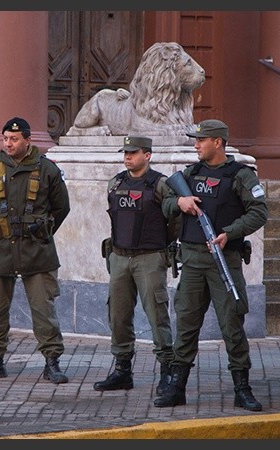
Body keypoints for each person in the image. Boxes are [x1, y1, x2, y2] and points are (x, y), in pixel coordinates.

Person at [154, 119, 268, 410]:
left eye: (201, 140)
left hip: (224, 261)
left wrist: (229, 232)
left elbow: (259, 212)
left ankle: (242, 388)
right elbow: (165, 203)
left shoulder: (240, 175)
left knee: (232, 324)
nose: (196, 145)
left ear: (217, 142)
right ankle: (176, 387)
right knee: (187, 325)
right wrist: (180, 203)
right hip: (191, 259)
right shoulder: (190, 174)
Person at [0, 116, 71, 384]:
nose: (8, 143)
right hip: (0, 251)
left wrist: (40, 231)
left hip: (37, 251)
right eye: (5, 139)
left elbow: (62, 208)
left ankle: (52, 362)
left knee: (43, 309)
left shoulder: (48, 170)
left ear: (28, 140)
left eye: (14, 139)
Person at [94, 136, 176, 395]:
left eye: (133, 152)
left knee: (156, 314)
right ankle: (122, 370)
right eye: (125, 152)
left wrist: (162, 247)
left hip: (150, 258)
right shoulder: (116, 182)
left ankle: (167, 370)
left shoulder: (161, 184)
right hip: (119, 257)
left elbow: (174, 220)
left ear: (147, 155)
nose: (127, 157)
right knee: (118, 315)